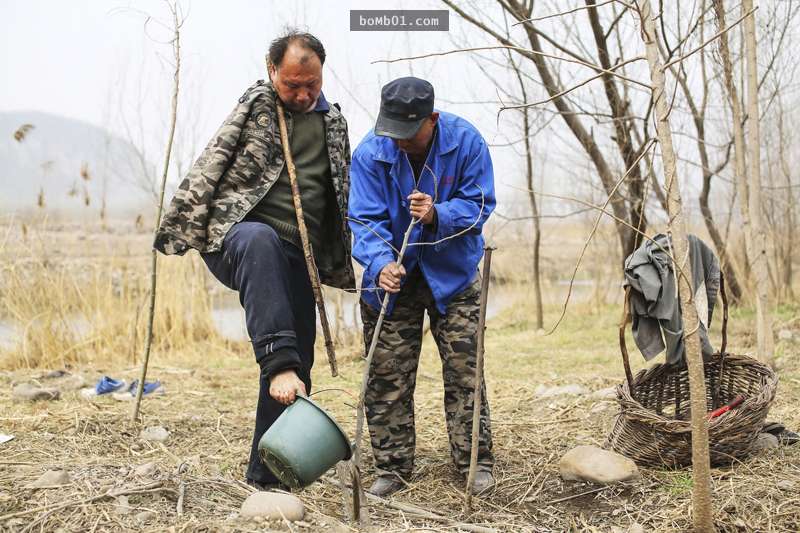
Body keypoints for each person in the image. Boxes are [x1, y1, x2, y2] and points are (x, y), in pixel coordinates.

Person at [154, 30, 354, 489]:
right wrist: (183, 225)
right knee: (262, 242)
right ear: (272, 72)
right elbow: (213, 160)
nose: (302, 94)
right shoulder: (259, 106)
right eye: (292, 85)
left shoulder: (334, 125)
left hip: (297, 253)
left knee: (298, 358)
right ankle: (277, 361)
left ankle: (267, 476)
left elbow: (341, 194)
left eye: (312, 85)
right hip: (238, 240)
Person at [348, 76, 497, 497]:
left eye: (409, 133)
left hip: (454, 275)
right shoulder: (370, 153)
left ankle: (474, 462)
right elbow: (363, 219)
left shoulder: (467, 142)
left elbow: (481, 205)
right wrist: (379, 265)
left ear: (431, 119)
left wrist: (437, 214)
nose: (400, 142)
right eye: (392, 132)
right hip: (392, 282)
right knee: (386, 374)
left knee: (466, 371)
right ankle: (392, 468)